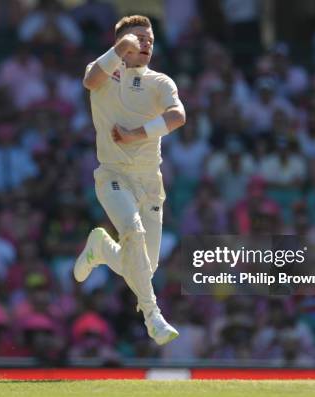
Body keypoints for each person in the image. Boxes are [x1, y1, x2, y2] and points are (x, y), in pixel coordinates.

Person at [73, 15, 186, 345]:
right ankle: (153, 316)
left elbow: (177, 116)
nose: (147, 42)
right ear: (122, 42)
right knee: (132, 231)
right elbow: (90, 81)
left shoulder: (160, 82)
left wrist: (136, 134)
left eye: (150, 38)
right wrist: (122, 45)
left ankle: (102, 249)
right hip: (113, 175)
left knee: (143, 269)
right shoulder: (105, 73)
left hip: (150, 182)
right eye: (140, 37)